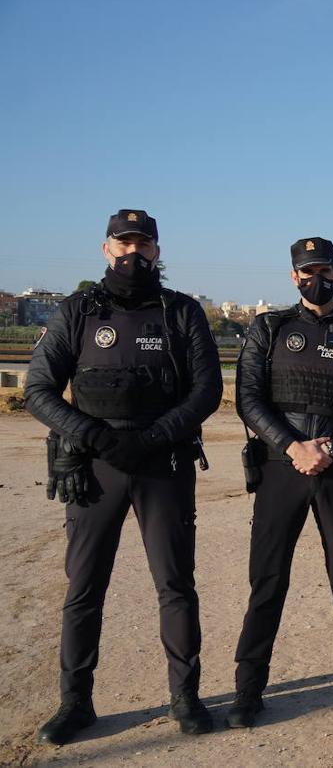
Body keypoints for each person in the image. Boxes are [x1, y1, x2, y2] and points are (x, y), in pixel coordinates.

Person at [26, 209, 222, 744]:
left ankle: (186, 697)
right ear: (105, 249)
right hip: (94, 465)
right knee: (84, 589)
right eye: (123, 244)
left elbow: (206, 392)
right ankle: (76, 703)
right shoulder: (77, 311)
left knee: (176, 585)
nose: (133, 253)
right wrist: (97, 438)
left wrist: (154, 437)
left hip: (164, 464)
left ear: (158, 250)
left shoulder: (181, 312)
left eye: (144, 244)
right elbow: (39, 391)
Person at [227, 237, 333, 727]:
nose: (314, 278)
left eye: (323, 269)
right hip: (282, 466)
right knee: (268, 579)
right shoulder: (269, 328)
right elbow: (249, 400)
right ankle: (248, 686)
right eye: (305, 270)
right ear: (293, 276)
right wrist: (293, 446)